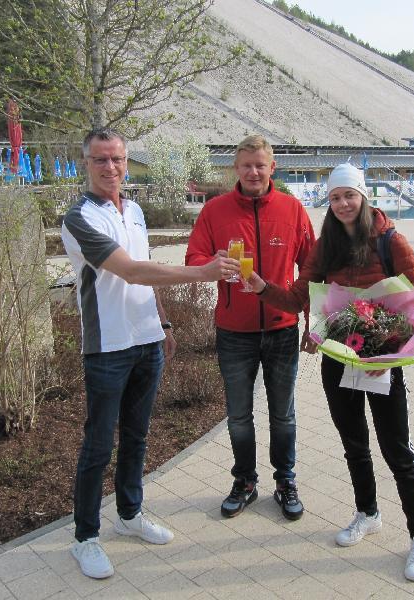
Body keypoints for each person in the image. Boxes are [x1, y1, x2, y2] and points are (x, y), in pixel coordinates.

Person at [61, 128, 240, 580]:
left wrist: (162, 321)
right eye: (100, 160)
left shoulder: (135, 211)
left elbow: (147, 277)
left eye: (117, 159)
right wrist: (203, 272)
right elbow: (132, 270)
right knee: (99, 445)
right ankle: (85, 538)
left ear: (125, 161)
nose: (110, 168)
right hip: (107, 348)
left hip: (146, 342)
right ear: (86, 163)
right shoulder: (79, 218)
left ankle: (129, 514)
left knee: (138, 437)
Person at [247, 163, 414, 582]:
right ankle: (367, 512)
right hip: (338, 359)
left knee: (396, 449)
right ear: (328, 202)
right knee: (354, 444)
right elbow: (301, 296)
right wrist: (263, 289)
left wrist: (378, 317)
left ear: (363, 197)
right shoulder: (324, 245)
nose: (343, 203)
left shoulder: (391, 240)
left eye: (349, 195)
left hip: (380, 359)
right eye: (335, 197)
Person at [185, 134, 315, 520]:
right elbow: (194, 256)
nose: (254, 172)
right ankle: (244, 481)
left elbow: (312, 271)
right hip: (233, 331)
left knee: (283, 414)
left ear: (272, 167)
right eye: (246, 165)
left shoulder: (293, 211)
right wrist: (213, 263)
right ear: (235, 170)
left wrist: (314, 324)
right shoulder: (216, 211)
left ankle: (285, 480)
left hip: (281, 329)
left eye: (260, 165)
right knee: (239, 415)